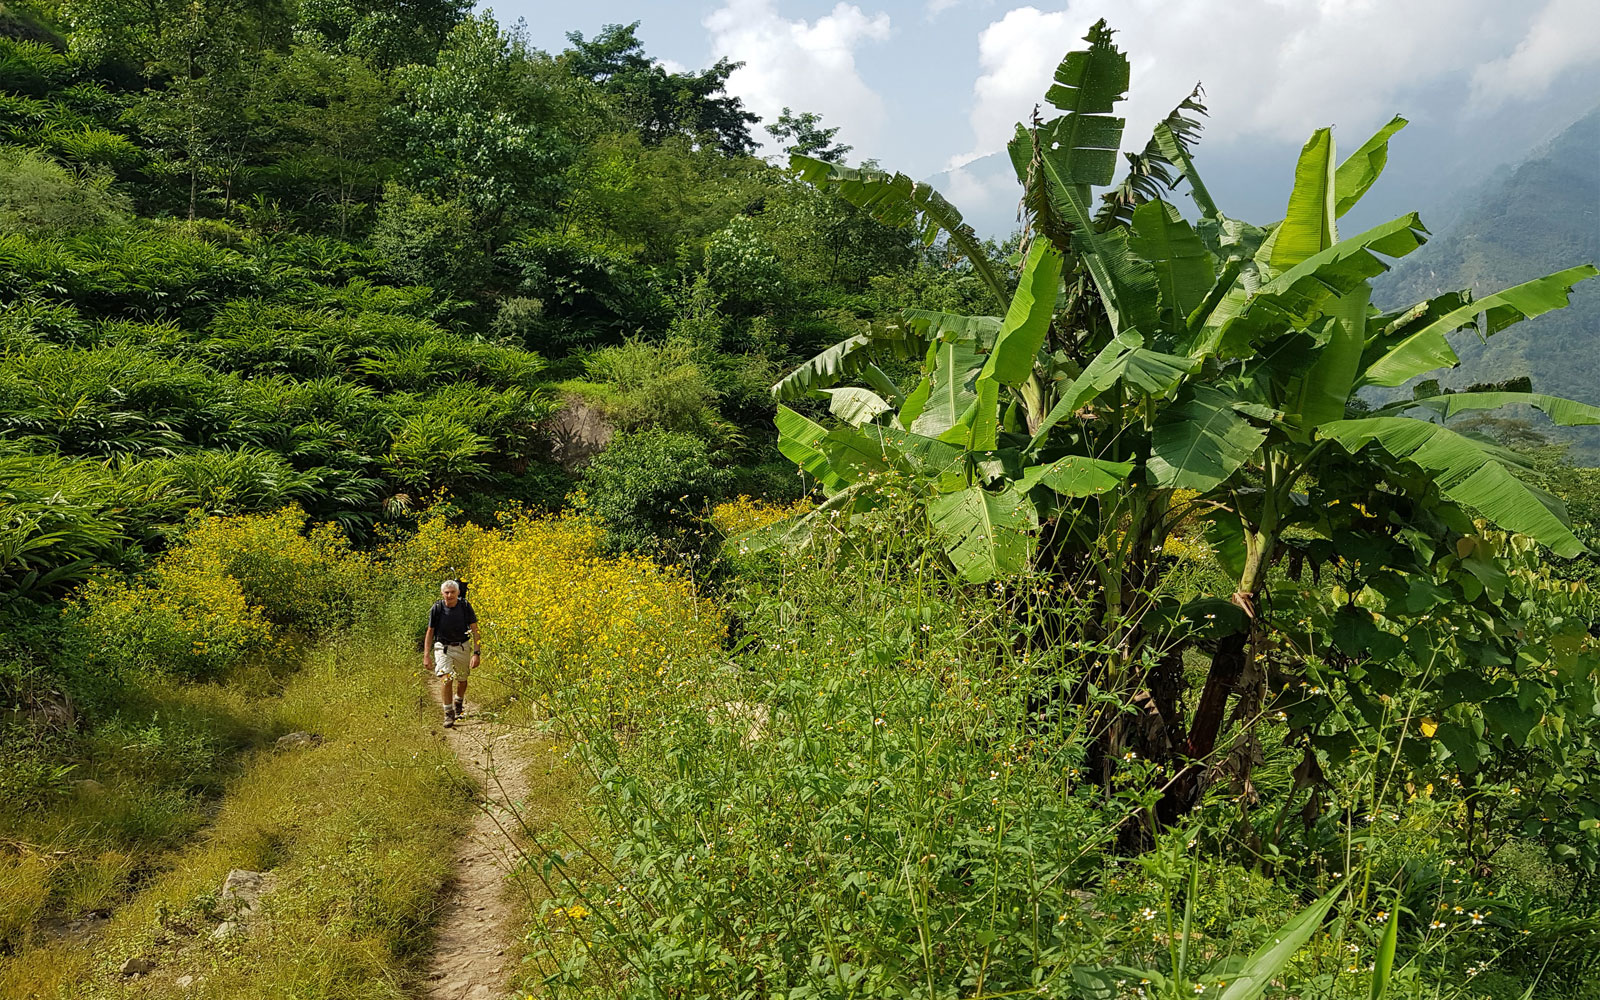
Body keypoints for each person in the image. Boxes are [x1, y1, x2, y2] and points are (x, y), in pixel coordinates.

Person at [422, 580, 480, 728]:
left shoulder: (465, 607)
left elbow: (475, 629)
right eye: (446, 592)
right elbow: (430, 632)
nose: (449, 595)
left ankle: (458, 701)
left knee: (462, 679)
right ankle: (448, 713)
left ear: (458, 593)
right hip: (443, 647)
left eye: (452, 592)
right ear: (442, 594)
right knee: (446, 678)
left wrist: (476, 653)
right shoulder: (437, 608)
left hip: (462, 646)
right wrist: (426, 655)